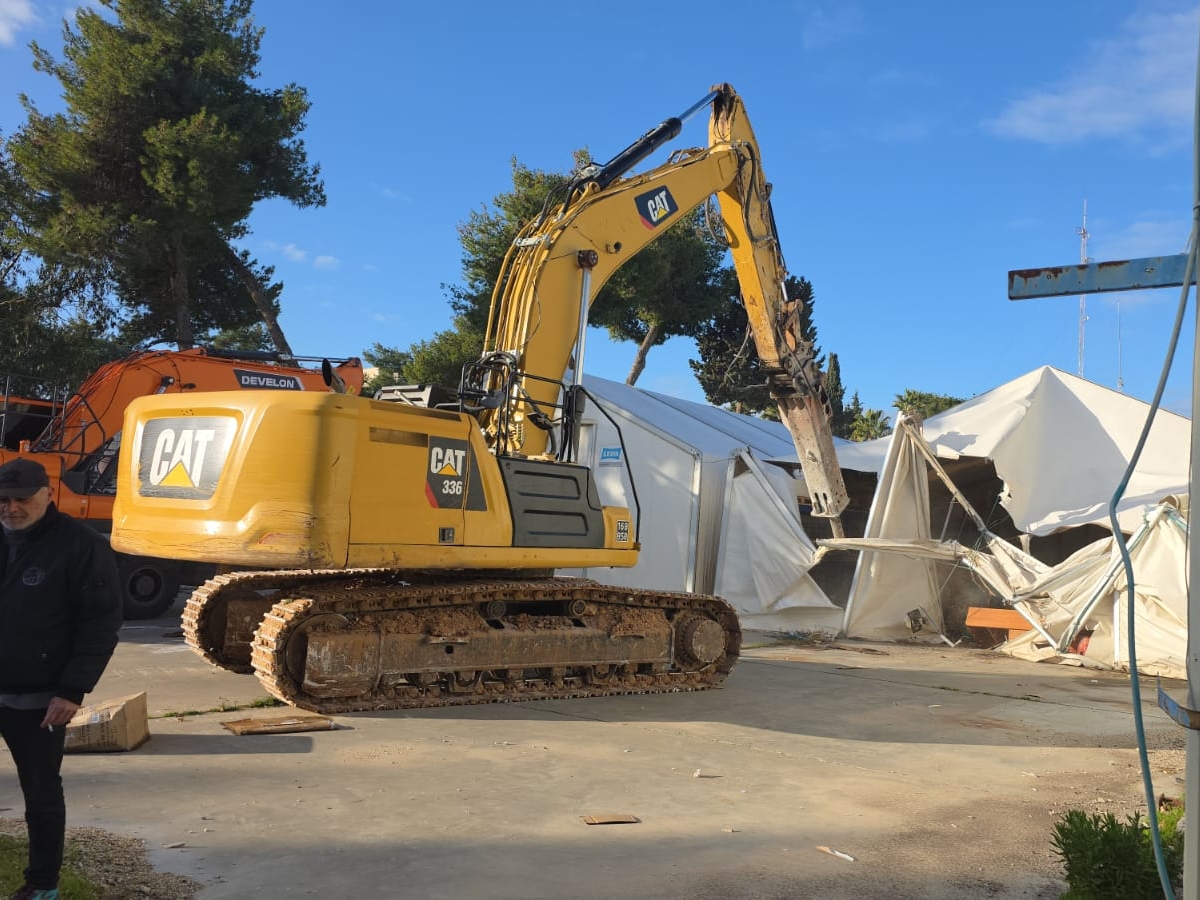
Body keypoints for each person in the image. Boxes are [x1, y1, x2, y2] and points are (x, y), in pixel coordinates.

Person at [0, 458, 122, 900]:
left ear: (47, 494)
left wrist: (72, 689)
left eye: (22, 499)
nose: (11, 508)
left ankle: (42, 884)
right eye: (3, 500)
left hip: (40, 699)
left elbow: (100, 622)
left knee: (41, 793)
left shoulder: (80, 546)